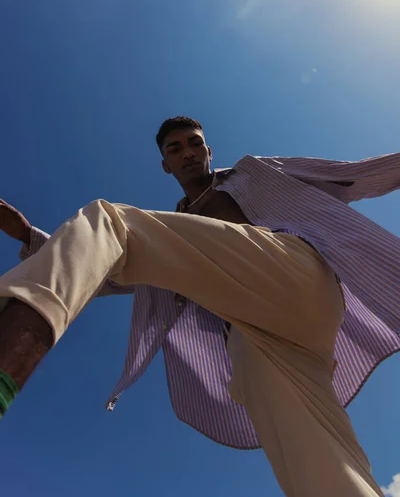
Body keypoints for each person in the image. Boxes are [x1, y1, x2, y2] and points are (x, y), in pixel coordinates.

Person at [0, 116, 399, 497]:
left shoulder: (253, 173)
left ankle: (6, 366)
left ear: (209, 150)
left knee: (109, 221)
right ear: (165, 164)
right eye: (176, 149)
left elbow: (351, 175)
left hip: (296, 275)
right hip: (258, 342)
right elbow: (104, 275)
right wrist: (28, 235)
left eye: (195, 143)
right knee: (316, 461)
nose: (188, 152)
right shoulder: (176, 234)